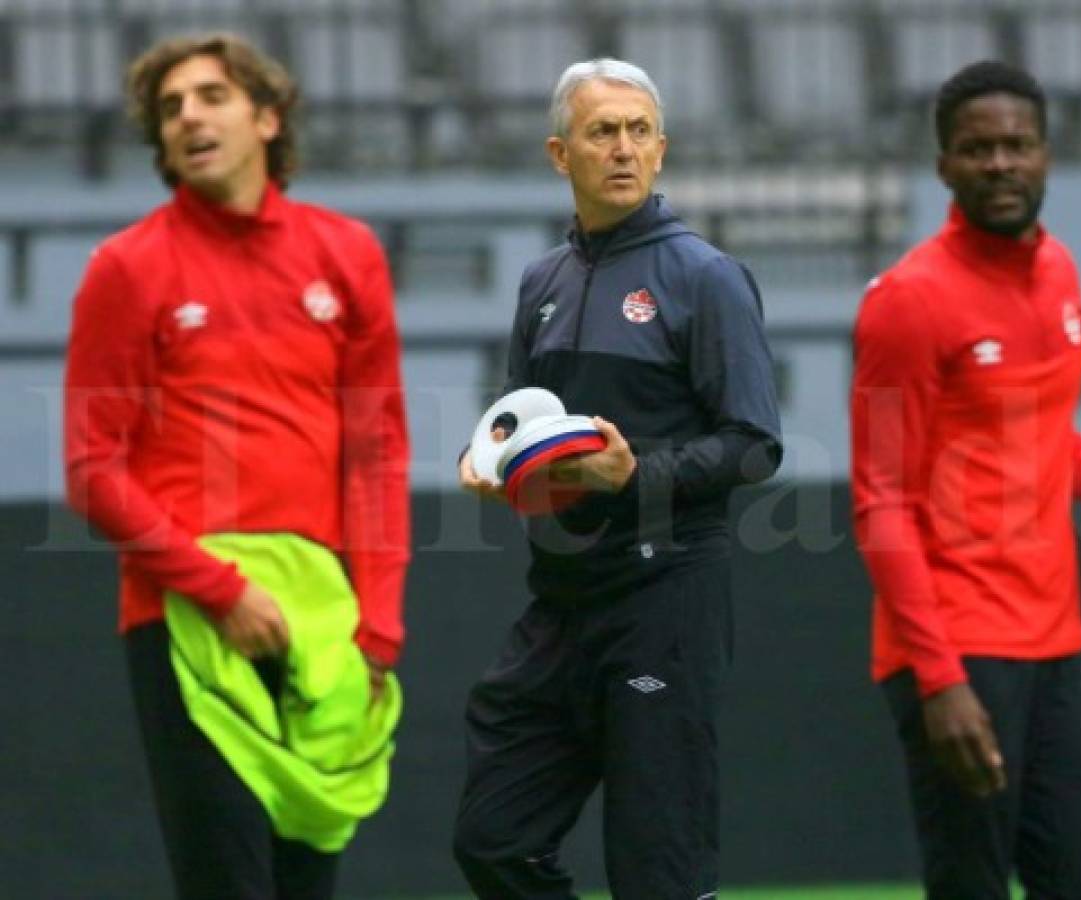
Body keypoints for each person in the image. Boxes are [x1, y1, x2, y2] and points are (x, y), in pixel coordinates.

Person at [62, 33, 410, 900]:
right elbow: (91, 468)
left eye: (211, 96)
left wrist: (377, 628)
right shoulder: (126, 267)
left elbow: (377, 454)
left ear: (266, 116)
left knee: (305, 885)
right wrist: (221, 590)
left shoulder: (347, 253)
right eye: (170, 107)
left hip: (324, 623)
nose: (188, 117)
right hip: (186, 619)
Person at [451, 58, 783, 898]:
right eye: (603, 132)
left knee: (657, 874)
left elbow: (754, 444)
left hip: (663, 598)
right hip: (560, 602)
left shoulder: (704, 277)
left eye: (639, 132)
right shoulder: (542, 282)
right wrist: (486, 458)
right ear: (561, 155)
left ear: (662, 150)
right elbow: (519, 417)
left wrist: (634, 475)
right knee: (493, 843)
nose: (623, 149)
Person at [851, 60, 1081, 899]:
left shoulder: (1059, 273)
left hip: (1054, 647)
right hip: (957, 650)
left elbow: (1038, 442)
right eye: (977, 148)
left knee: (1080, 886)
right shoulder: (907, 302)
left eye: (1016, 145)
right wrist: (939, 679)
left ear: (1045, 156)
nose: (1000, 163)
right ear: (944, 167)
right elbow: (879, 502)